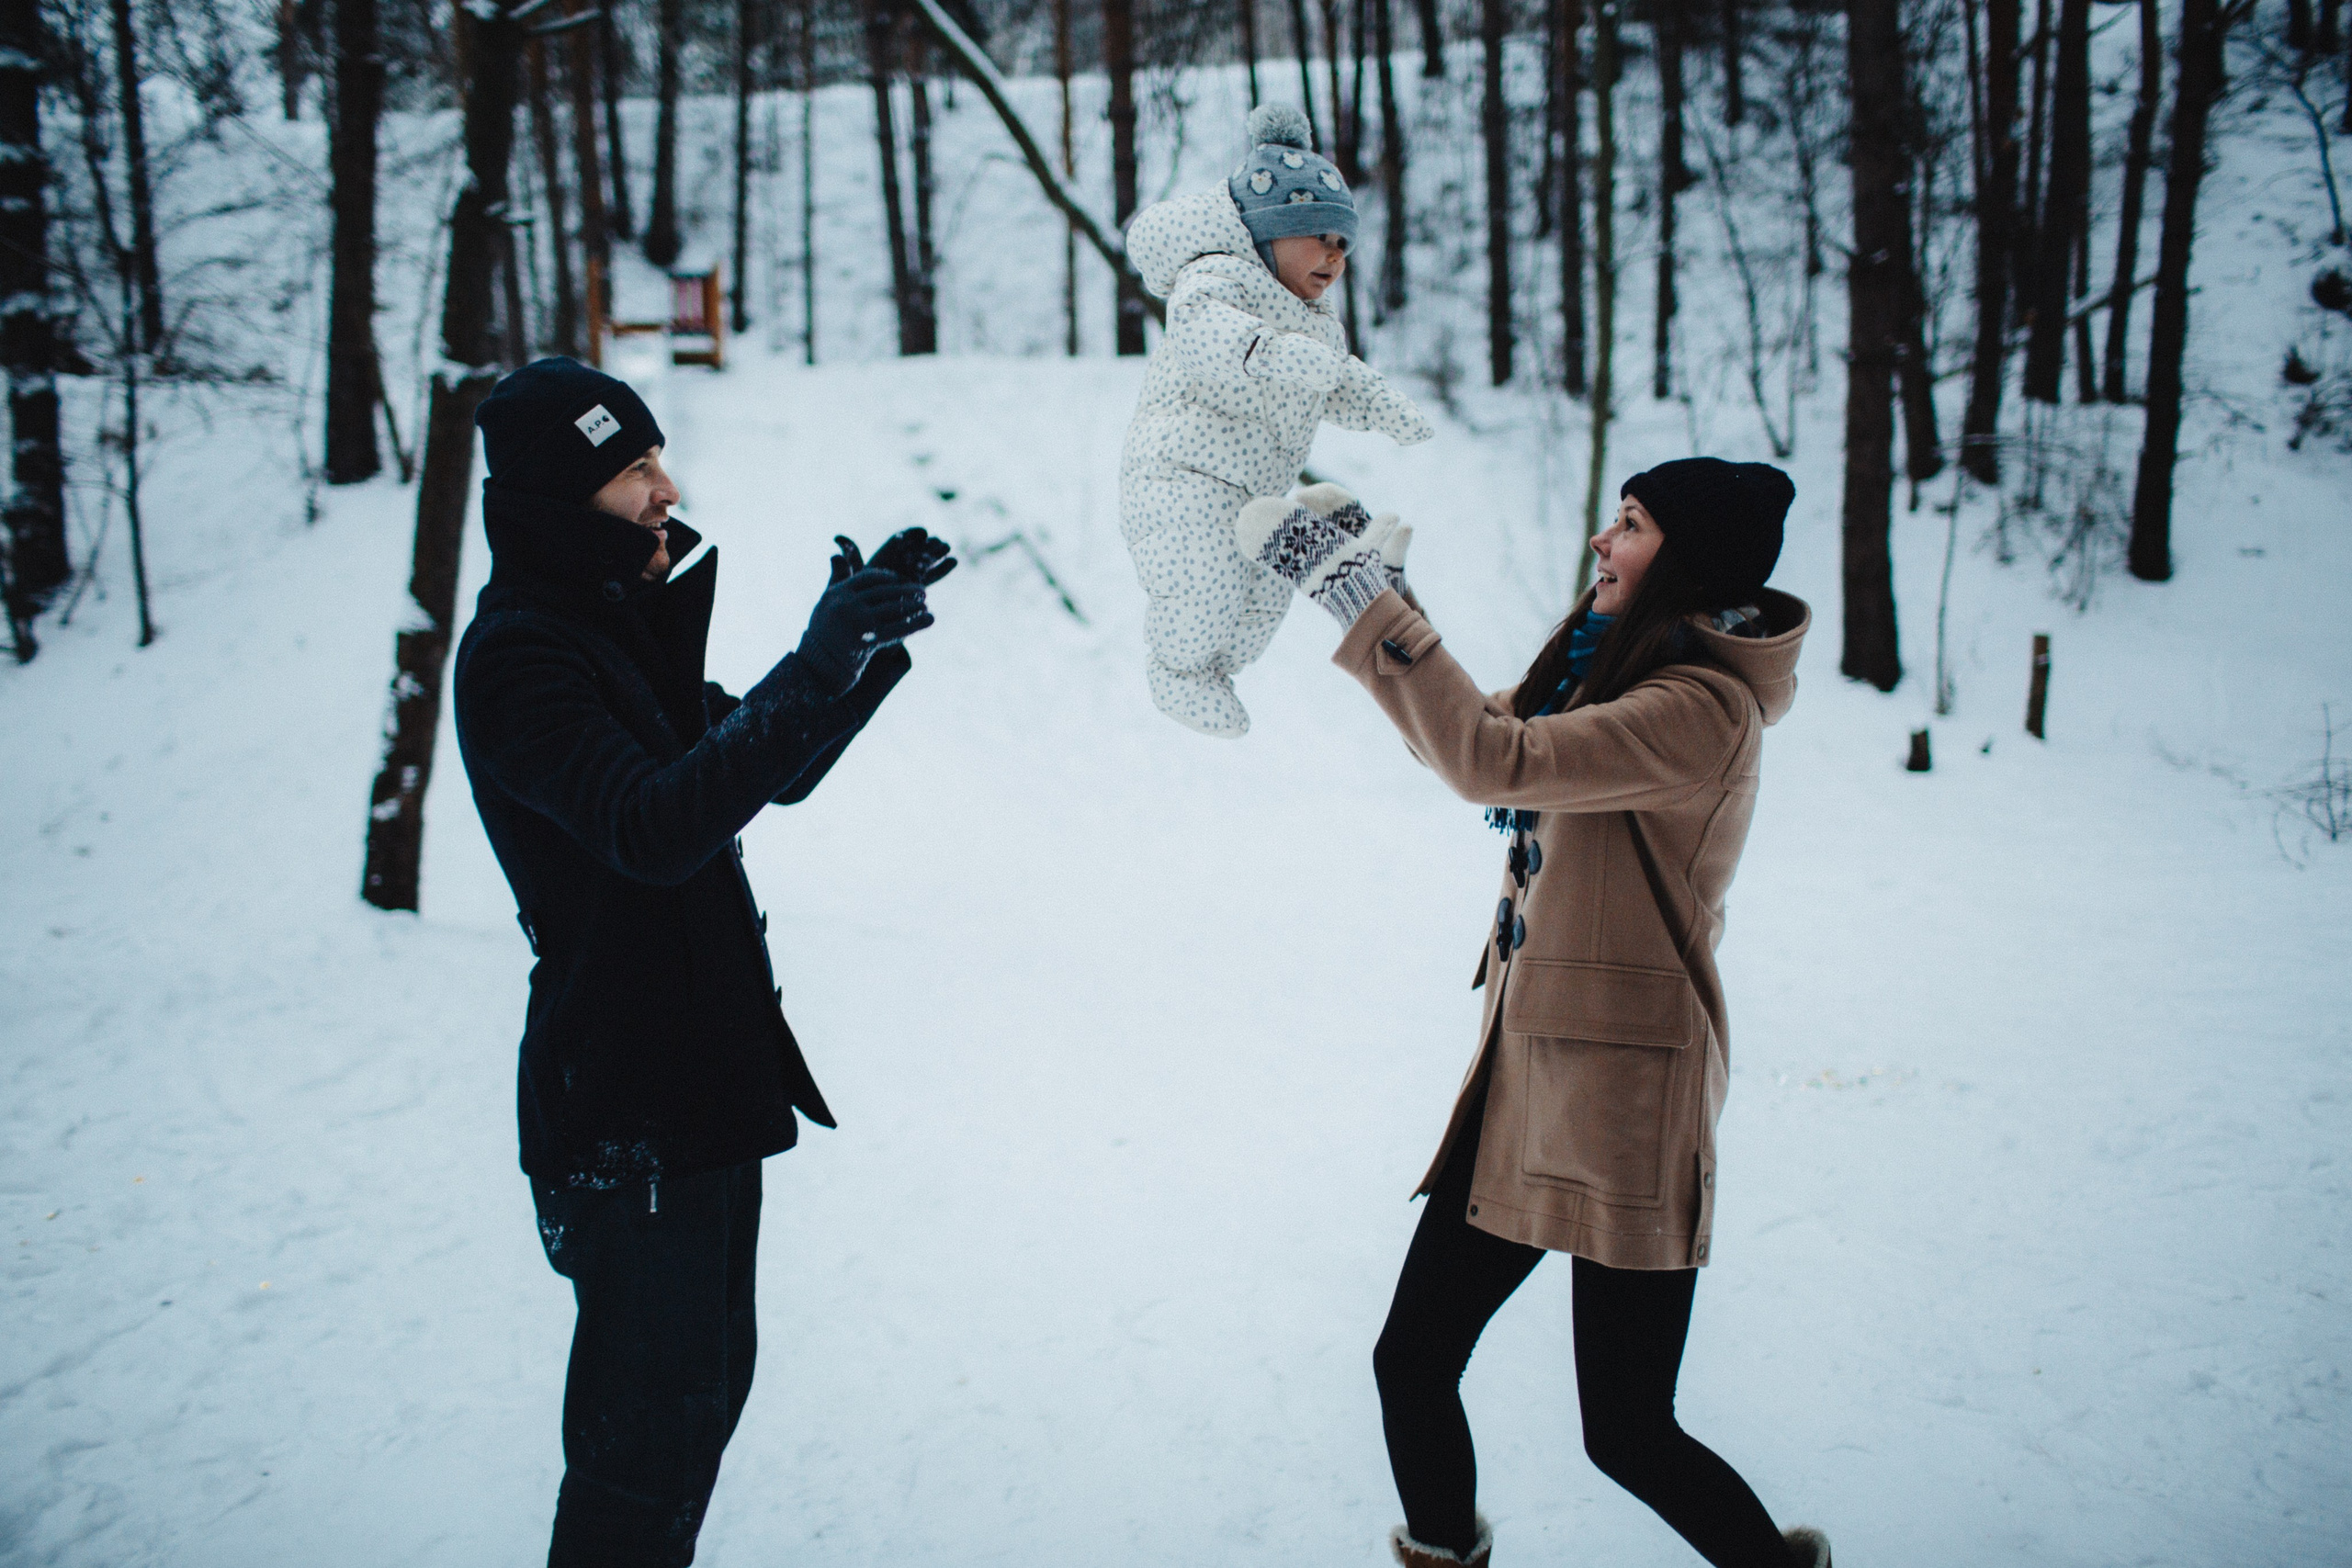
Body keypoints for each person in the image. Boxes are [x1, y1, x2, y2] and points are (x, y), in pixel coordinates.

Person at [1238, 458, 1833, 1568]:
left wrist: (1358, 601)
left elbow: (1487, 758)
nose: (1603, 545)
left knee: (1628, 1434)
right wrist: (1390, 604)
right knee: (1412, 1360)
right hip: (1530, 1082)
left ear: (1685, 558)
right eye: (1613, 520)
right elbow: (1466, 738)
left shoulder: (1696, 711)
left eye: (1631, 525)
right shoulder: (1609, 675)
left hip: (1623, 1105)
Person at [450, 356, 955, 1567]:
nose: (668, 487)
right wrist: (818, 663)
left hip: (698, 1084)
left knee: (696, 1404)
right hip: (626, 1097)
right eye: (634, 469)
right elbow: (658, 824)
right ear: (562, 498)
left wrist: (857, 642)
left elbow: (760, 764)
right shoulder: (526, 658)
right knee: (646, 1447)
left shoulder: (604, 631)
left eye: (657, 457)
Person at [1119, 101, 1432, 739]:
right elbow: (1223, 345)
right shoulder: (1214, 280)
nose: (1335, 256)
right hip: (1181, 478)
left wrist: (1383, 407)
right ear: (1269, 229)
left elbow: (1332, 382)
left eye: (1344, 244)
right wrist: (1294, 359)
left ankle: (1218, 670)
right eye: (1320, 235)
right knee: (1203, 591)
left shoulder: (1316, 323)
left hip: (1254, 492)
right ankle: (1175, 671)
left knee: (1267, 593)